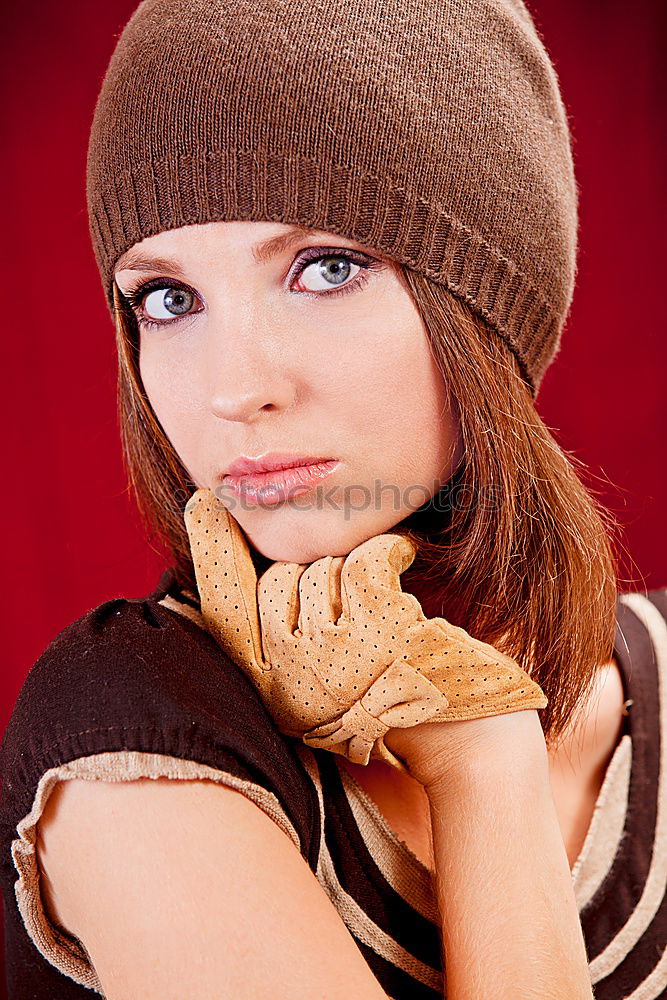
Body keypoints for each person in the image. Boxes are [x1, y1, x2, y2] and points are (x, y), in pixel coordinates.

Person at [1, 0, 665, 997]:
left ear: (490, 299)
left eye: (326, 267)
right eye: (167, 298)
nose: (235, 388)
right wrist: (484, 768)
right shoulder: (134, 731)